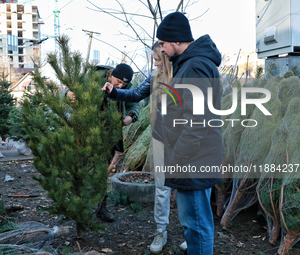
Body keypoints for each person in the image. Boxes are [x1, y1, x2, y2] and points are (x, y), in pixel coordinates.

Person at [102, 42, 187, 254]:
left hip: (184, 138)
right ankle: (161, 231)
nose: (155, 63)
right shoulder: (154, 76)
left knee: (186, 187)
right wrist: (114, 92)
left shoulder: (185, 73)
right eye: (154, 60)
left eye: (158, 60)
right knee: (161, 187)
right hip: (161, 138)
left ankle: (191, 233)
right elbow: (135, 94)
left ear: (168, 57)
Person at [156, 12, 223, 255]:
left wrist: (179, 157)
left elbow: (198, 121)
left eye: (163, 43)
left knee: (195, 224)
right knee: (195, 221)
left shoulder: (196, 65)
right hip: (194, 158)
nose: (161, 49)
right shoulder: (192, 64)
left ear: (175, 40)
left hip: (193, 161)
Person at [65, 63, 139, 222]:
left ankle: (101, 208)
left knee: (102, 171)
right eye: (118, 81)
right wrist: (68, 94)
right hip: (86, 130)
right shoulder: (93, 76)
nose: (119, 86)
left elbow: (133, 102)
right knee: (82, 169)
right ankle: (79, 207)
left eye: (123, 84)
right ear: (111, 74)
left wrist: (131, 116)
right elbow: (69, 86)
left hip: (109, 134)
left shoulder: (125, 87)